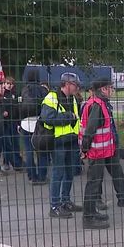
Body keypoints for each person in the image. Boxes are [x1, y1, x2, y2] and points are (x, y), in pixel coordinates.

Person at [79, 78, 124, 229]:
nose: (112, 90)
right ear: (104, 89)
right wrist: (85, 150)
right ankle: (88, 217)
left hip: (105, 149)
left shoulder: (101, 103)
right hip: (97, 151)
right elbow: (90, 130)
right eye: (110, 88)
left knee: (111, 174)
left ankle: (94, 211)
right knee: (93, 183)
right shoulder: (96, 106)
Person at [40, 73, 82, 218]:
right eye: (75, 85)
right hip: (58, 141)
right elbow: (47, 118)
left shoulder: (73, 99)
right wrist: (68, 117)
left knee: (70, 173)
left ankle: (65, 201)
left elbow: (78, 119)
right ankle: (55, 206)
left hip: (71, 140)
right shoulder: (51, 98)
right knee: (58, 173)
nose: (77, 88)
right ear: (67, 84)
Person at [19, 69, 50, 184]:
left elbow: (19, 107)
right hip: (39, 123)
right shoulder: (43, 90)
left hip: (25, 123)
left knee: (28, 151)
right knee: (42, 151)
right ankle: (42, 176)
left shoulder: (23, 90)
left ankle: (32, 176)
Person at [2, 76, 24, 171]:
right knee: (6, 143)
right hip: (5, 122)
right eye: (7, 83)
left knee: (15, 143)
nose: (9, 86)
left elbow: (18, 108)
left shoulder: (16, 94)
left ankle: (17, 163)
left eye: (11, 84)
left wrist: (19, 122)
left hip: (14, 121)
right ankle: (6, 162)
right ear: (4, 84)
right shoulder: (2, 94)